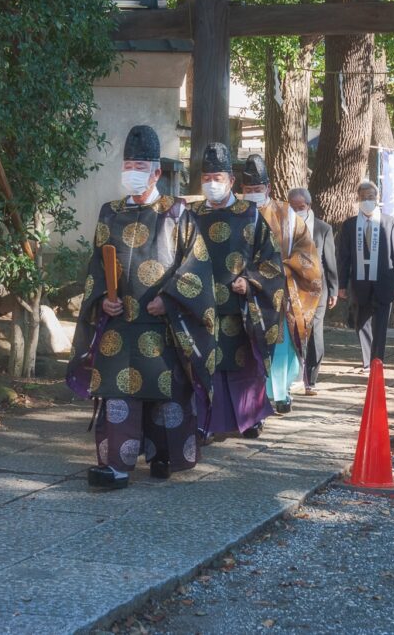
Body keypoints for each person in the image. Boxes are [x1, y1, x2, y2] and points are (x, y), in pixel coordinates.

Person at [67, 125, 217, 490]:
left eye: (140, 166)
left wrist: (170, 300)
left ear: (156, 173)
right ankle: (115, 465)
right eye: (127, 165)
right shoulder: (109, 213)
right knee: (118, 393)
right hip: (118, 323)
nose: (132, 173)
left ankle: (163, 455)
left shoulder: (179, 213)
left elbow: (196, 266)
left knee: (165, 391)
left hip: (161, 322)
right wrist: (103, 298)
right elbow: (95, 266)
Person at [190, 142, 285, 439]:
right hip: (199, 306)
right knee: (206, 366)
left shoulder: (251, 215)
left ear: (231, 181)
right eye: (206, 178)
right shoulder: (190, 215)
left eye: (218, 178)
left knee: (243, 366)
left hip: (239, 306)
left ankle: (250, 417)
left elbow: (271, 261)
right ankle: (205, 422)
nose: (211, 184)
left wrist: (252, 280)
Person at [239, 155, 322, 414]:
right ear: (241, 190)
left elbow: (306, 251)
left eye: (258, 190)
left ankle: (280, 392)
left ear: (269, 188)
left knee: (279, 346)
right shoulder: (234, 213)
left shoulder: (286, 215)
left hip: (278, 291)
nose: (253, 194)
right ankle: (252, 396)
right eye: (248, 190)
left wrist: (286, 267)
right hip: (242, 289)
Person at [337, 180, 394, 370]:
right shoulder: (349, 225)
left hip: (384, 282)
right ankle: (366, 359)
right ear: (358, 199)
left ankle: (377, 360)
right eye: (363, 197)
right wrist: (342, 285)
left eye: (371, 197)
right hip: (360, 282)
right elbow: (344, 257)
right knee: (361, 323)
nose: (367, 200)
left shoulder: (389, 222)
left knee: (381, 325)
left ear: (377, 198)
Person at [289, 187, 338, 396]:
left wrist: (334, 289)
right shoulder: (285, 226)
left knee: (315, 329)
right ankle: (294, 374)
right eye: (293, 207)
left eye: (301, 207)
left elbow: (330, 261)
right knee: (294, 329)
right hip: (292, 286)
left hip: (318, 287)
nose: (298, 210)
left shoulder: (323, 228)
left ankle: (311, 376)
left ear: (308, 206)